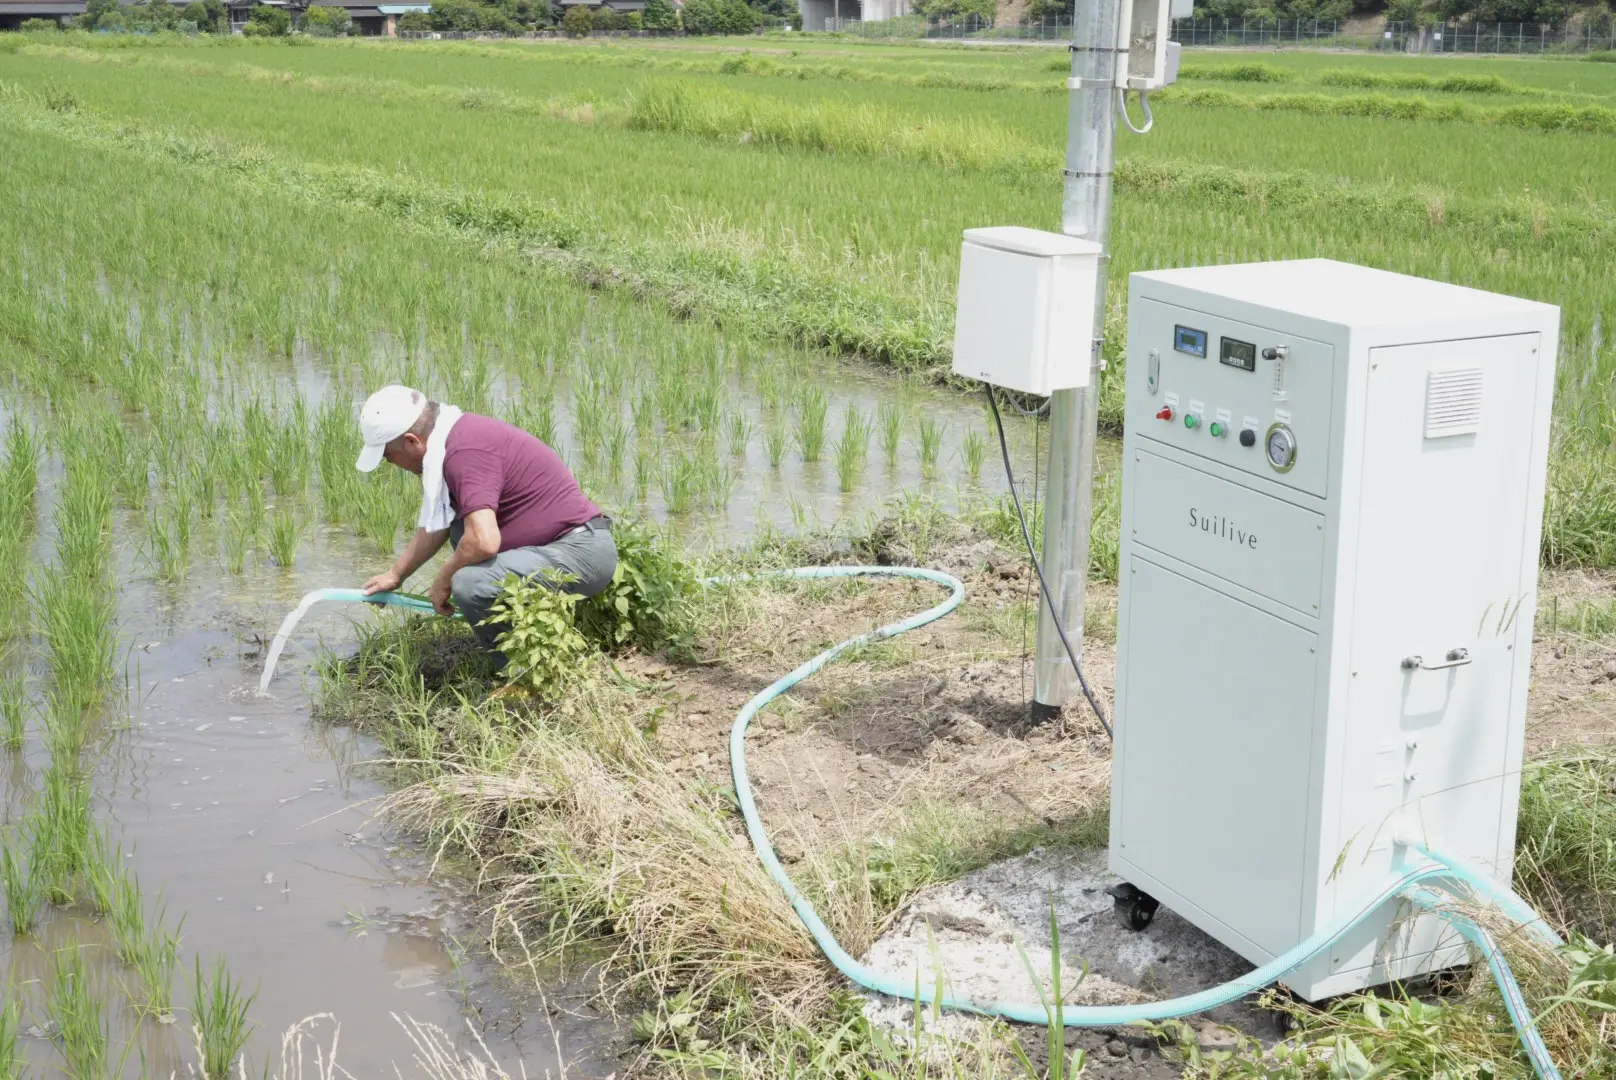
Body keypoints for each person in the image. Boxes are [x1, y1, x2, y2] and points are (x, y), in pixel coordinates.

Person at [354, 385, 617, 656]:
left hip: (581, 551)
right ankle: (530, 635)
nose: (391, 464)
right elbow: (439, 524)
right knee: (459, 530)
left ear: (412, 441)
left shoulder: (464, 451)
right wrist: (396, 575)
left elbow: (484, 541)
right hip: (559, 549)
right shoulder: (451, 440)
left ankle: (522, 673)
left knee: (470, 582)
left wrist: (443, 579)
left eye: (388, 456)